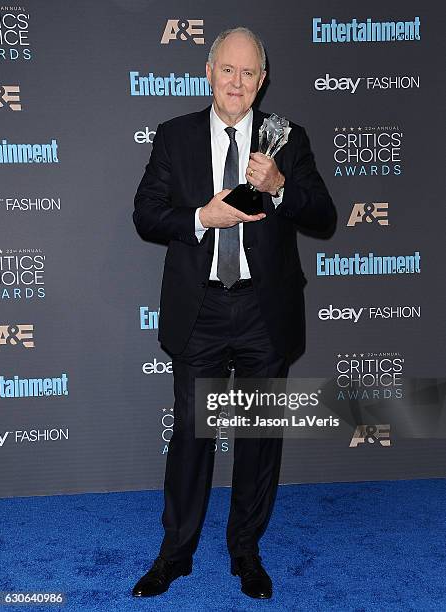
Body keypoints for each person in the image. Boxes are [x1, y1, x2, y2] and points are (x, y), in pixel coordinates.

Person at [132, 26, 336, 600]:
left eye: (249, 73)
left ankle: (246, 551)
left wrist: (279, 187)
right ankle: (175, 555)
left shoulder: (286, 139)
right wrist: (202, 218)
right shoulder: (175, 137)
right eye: (228, 70)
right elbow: (146, 214)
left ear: (262, 81)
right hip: (198, 309)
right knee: (191, 436)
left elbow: (322, 214)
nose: (238, 82)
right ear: (209, 72)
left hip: (261, 310)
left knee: (256, 440)